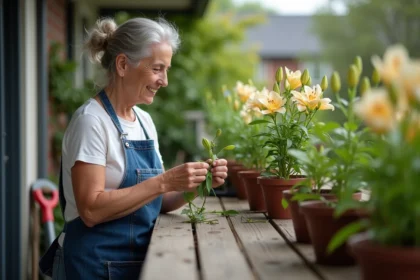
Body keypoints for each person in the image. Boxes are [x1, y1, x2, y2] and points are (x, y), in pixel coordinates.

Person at [39, 17, 228, 280]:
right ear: (123, 64)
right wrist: (164, 181)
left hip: (137, 265)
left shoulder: (144, 120)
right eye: (157, 69)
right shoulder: (91, 122)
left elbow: (157, 202)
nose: (165, 81)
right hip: (91, 267)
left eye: (167, 69)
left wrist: (200, 184)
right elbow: (91, 210)